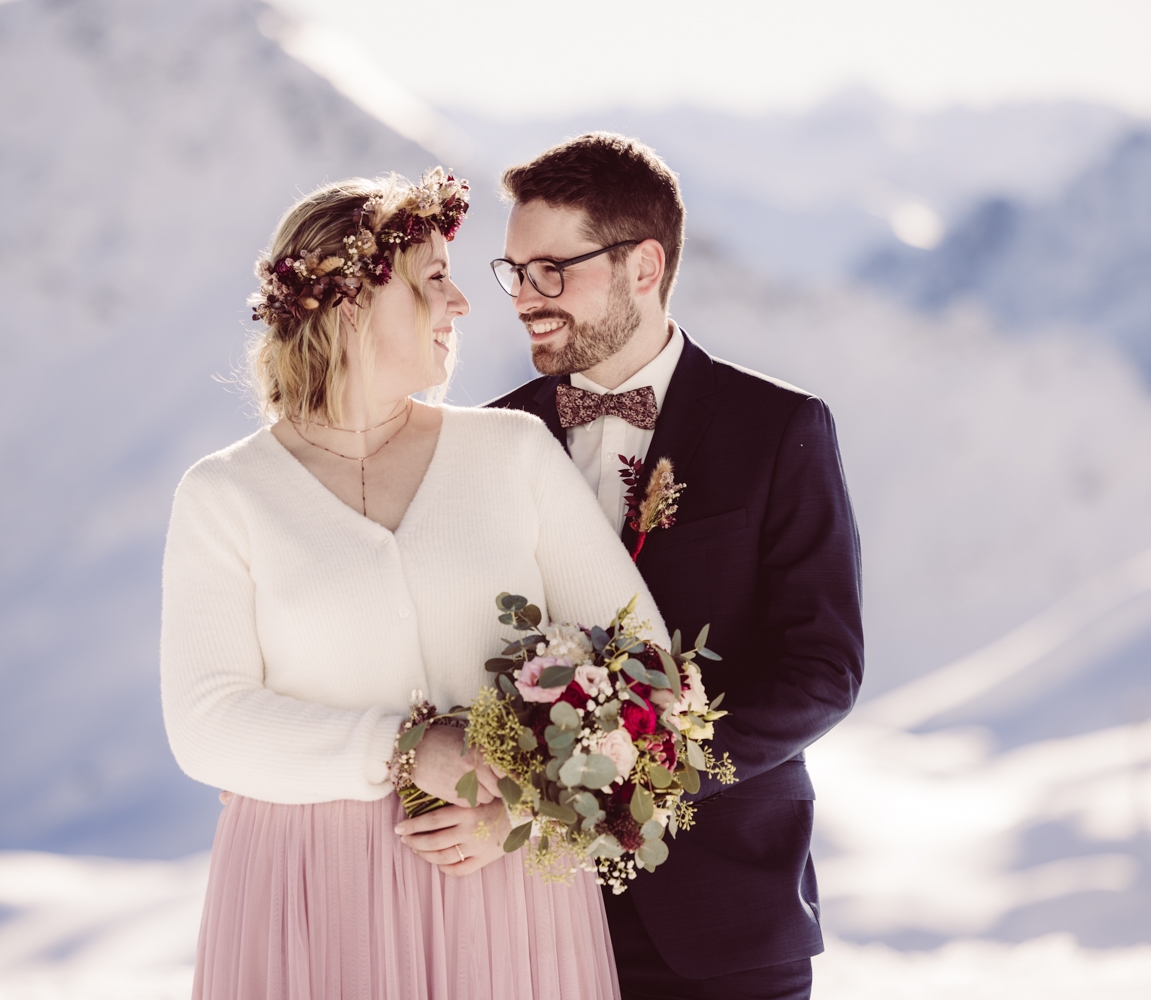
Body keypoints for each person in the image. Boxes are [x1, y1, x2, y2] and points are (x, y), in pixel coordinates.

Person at [160, 168, 666, 999]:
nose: (462, 304)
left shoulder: (513, 452)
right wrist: (405, 749)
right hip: (308, 898)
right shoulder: (226, 496)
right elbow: (206, 724)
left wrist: (524, 813)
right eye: (434, 280)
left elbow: (642, 668)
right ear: (352, 300)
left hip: (503, 896)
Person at [487, 134, 864, 1000]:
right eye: (514, 272)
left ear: (644, 265)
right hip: (529, 922)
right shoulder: (491, 438)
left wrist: (652, 763)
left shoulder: (779, 429)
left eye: (553, 270)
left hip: (727, 921)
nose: (526, 299)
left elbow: (824, 669)